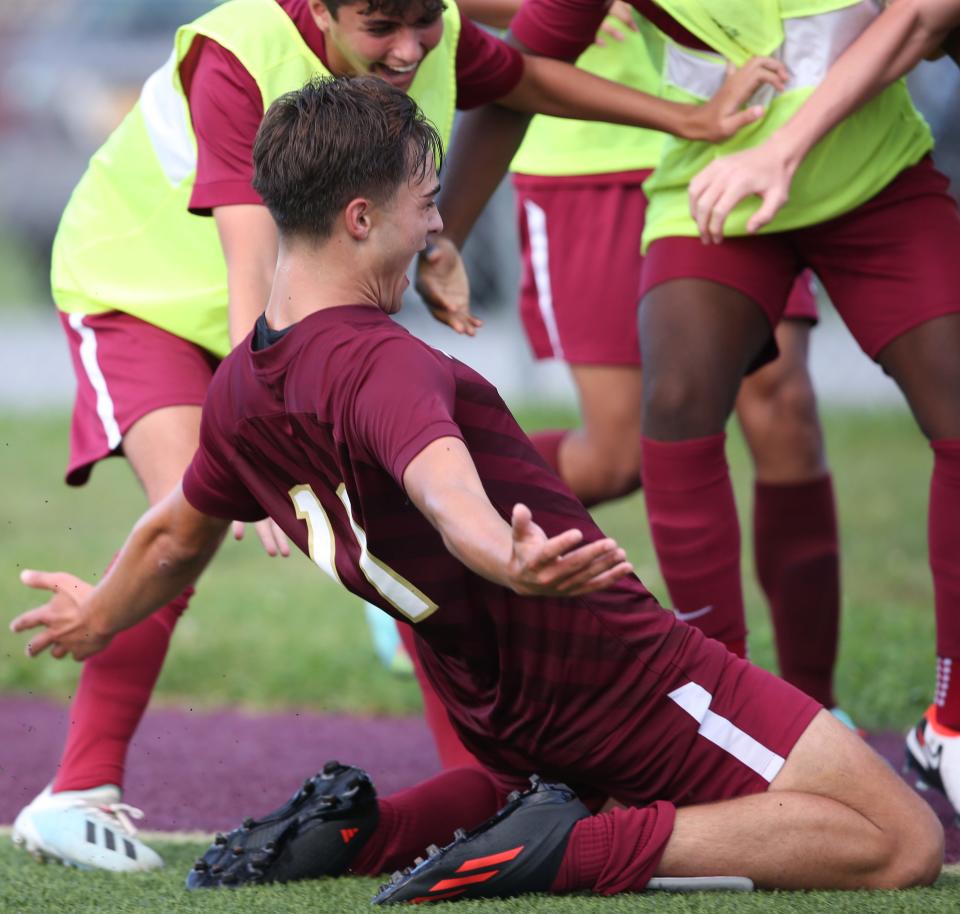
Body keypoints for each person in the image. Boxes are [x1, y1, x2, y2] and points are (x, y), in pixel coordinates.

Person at [12, 76, 942, 901]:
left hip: (500, 707)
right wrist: (512, 556)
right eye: (424, 202)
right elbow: (451, 497)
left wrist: (99, 615)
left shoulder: (241, 385)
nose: (435, 224)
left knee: (556, 785)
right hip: (614, 675)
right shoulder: (382, 365)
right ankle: (561, 851)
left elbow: (175, 533)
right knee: (897, 839)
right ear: (360, 218)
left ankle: (370, 833)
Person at [442, 0, 960, 821]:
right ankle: (719, 718)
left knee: (804, 411)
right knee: (653, 423)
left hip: (835, 168)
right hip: (691, 172)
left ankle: (899, 721)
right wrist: (440, 234)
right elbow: (513, 70)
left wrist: (780, 145)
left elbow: (930, 20)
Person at [456, 0, 845, 709]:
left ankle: (811, 706)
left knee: (783, 406)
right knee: (618, 456)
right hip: (587, 159)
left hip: (734, 134)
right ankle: (436, 519)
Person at [688, 0, 960, 240]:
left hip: (882, 170)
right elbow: (921, 19)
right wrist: (689, 120)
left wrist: (780, 152)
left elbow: (922, 17)